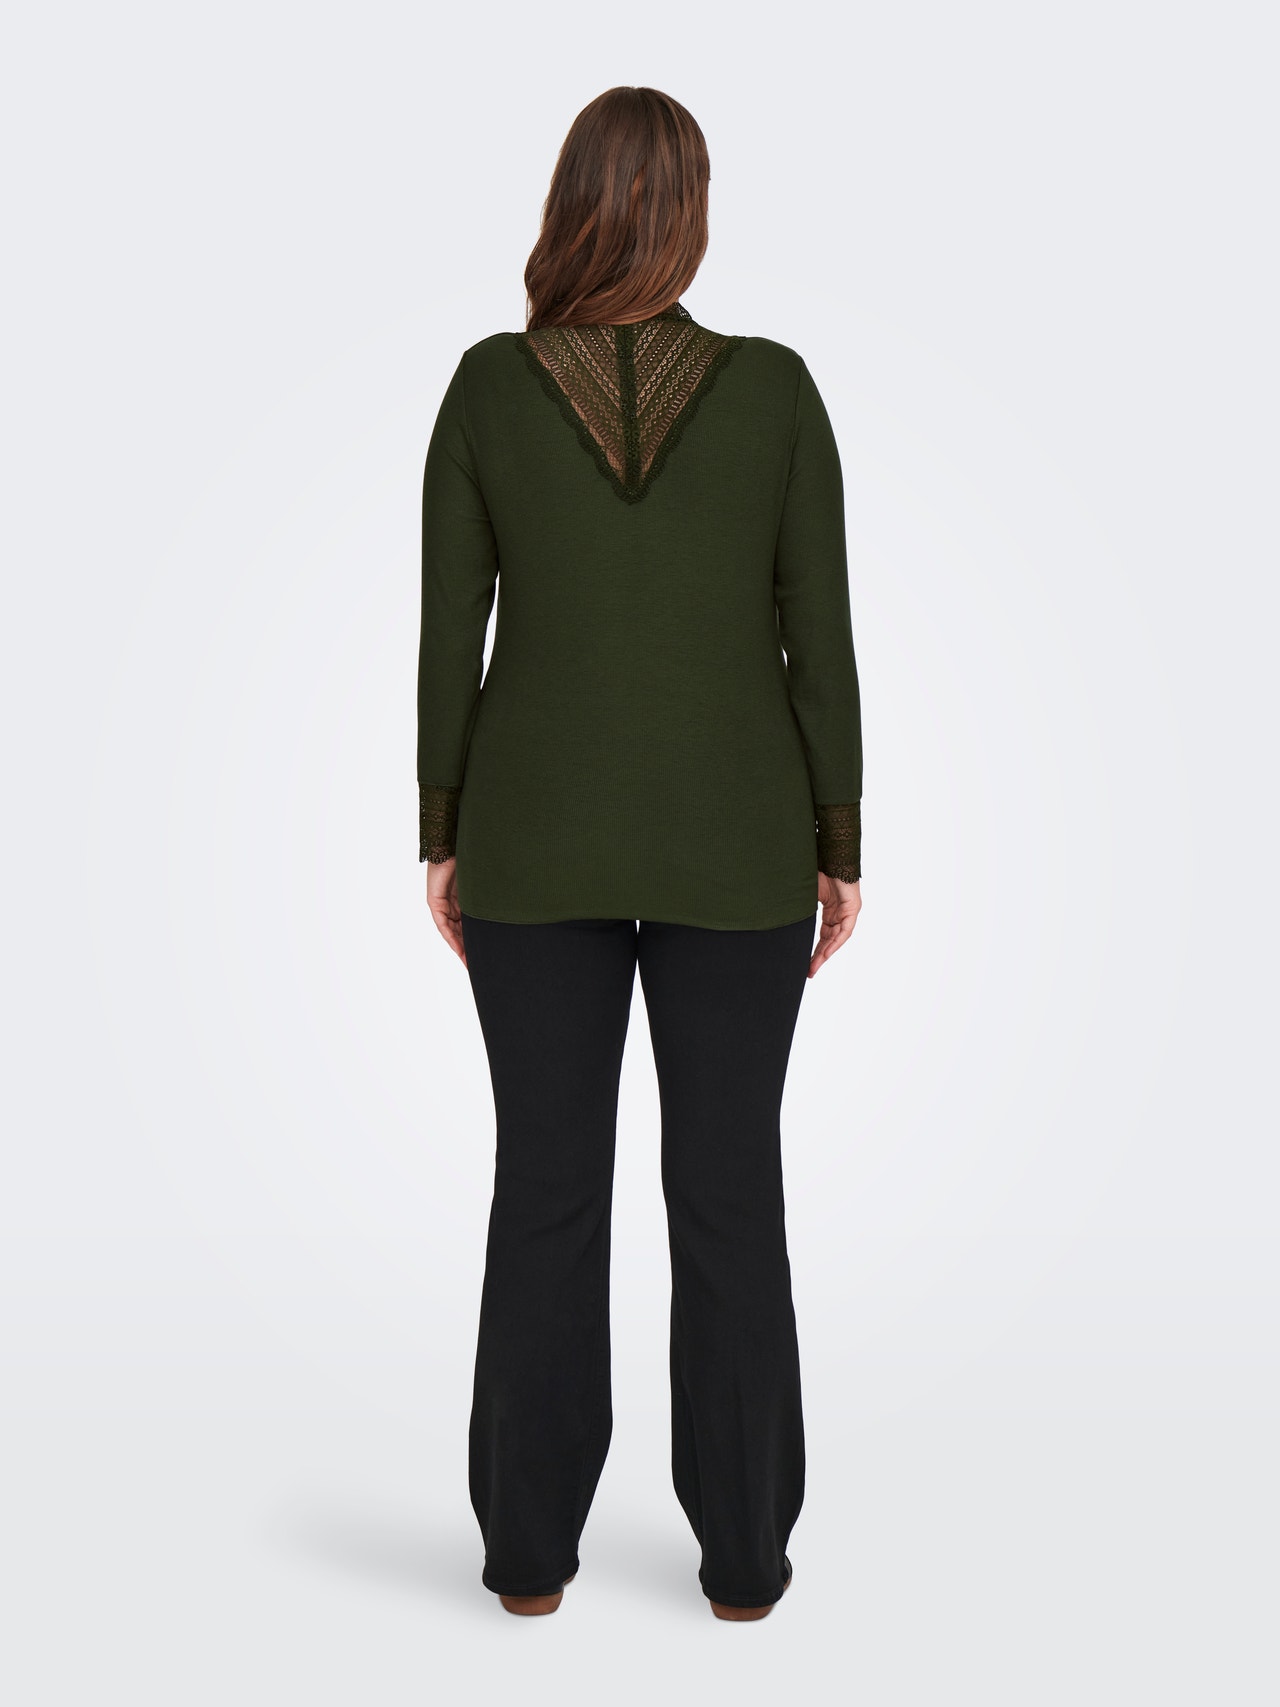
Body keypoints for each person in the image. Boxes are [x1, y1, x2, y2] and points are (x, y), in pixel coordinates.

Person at [416, 85, 863, 1622]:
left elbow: (451, 636)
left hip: (530, 845)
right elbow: (820, 641)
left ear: (570, 208)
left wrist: (442, 831)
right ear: (690, 216)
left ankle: (527, 1562)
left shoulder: (488, 389)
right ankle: (742, 1565)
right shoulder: (776, 392)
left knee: (545, 1191)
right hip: (741, 850)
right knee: (730, 1195)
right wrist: (838, 837)